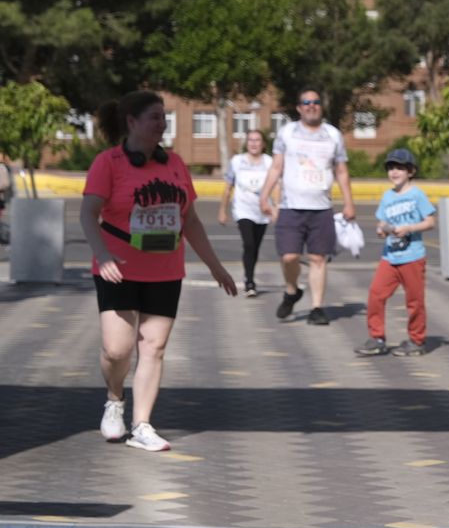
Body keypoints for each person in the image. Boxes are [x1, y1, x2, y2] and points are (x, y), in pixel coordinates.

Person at [80, 91, 238, 452]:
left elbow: (191, 220)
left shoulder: (176, 164)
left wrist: (216, 267)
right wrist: (102, 256)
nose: (162, 123)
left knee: (154, 346)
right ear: (132, 122)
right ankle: (114, 400)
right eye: (154, 117)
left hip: (166, 269)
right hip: (117, 268)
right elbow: (88, 214)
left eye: (164, 117)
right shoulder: (110, 162)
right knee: (117, 349)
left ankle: (142, 425)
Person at [258, 88, 356, 325]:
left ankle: (317, 308)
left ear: (321, 106)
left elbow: (341, 171)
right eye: (306, 102)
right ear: (299, 108)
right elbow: (276, 167)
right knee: (289, 257)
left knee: (318, 258)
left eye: (316, 102)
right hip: (291, 207)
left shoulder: (333, 135)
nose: (311, 105)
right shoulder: (287, 132)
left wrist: (349, 202)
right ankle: (292, 290)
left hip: (321, 208)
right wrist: (264, 197)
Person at [355, 149, 436, 357]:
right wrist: (381, 229)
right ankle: (377, 338)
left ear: (410, 171)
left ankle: (417, 340)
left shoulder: (417, 194)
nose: (394, 172)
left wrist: (409, 228)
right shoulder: (388, 196)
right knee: (375, 294)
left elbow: (430, 222)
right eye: (391, 168)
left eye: (400, 168)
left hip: (413, 256)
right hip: (390, 256)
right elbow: (383, 221)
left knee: (414, 300)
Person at [217, 129, 275, 297]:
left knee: (255, 247)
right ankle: (249, 281)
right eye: (250, 140)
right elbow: (228, 187)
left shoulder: (269, 162)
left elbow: (276, 186)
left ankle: (250, 274)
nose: (254, 143)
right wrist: (222, 211)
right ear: (246, 143)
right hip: (243, 209)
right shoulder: (237, 161)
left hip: (263, 210)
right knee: (248, 243)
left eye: (257, 140)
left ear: (263, 144)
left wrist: (275, 207)